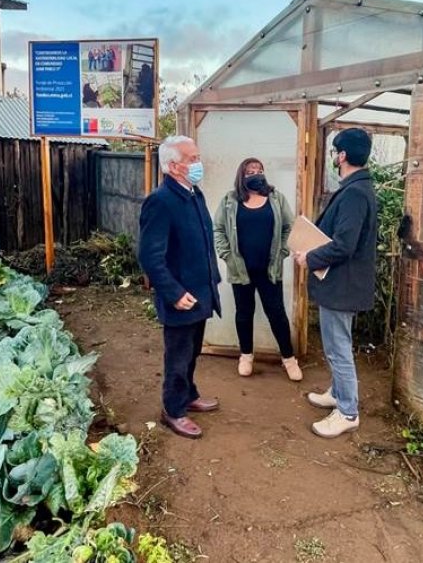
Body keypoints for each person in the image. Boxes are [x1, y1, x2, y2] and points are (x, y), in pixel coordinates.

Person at [293, 128, 377, 439]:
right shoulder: (357, 188)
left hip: (342, 286)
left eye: (335, 152)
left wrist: (310, 257)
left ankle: (347, 412)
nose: (333, 157)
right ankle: (339, 393)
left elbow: (344, 245)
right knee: (335, 344)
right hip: (342, 284)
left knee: (339, 347)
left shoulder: (354, 193)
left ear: (341, 156)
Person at [138, 135, 222, 439]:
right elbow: (149, 256)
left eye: (198, 157)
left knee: (193, 351)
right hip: (181, 296)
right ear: (173, 166)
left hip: (200, 292)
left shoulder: (193, 193)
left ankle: (189, 394)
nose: (198, 163)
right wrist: (173, 293)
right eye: (192, 159)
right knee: (178, 355)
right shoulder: (161, 201)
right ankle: (173, 410)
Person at [213, 158, 301, 381]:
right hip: (241, 270)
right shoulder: (230, 200)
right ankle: (246, 356)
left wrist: (282, 252)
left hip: (269, 269)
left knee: (277, 314)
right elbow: (218, 229)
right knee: (244, 314)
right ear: (241, 175)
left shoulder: (276, 198)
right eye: (250, 171)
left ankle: (289, 360)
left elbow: (289, 227)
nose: (255, 174)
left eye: (258, 170)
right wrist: (227, 256)